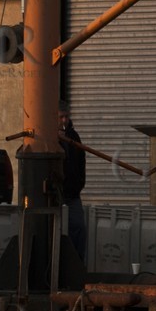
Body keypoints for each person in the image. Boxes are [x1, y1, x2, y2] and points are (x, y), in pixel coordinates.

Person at [59, 105, 87, 261]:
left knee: (78, 228)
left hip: (72, 193)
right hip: (57, 193)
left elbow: (80, 162)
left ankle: (77, 264)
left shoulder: (73, 137)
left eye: (66, 116)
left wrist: (79, 183)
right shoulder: (49, 138)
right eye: (61, 117)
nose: (64, 120)